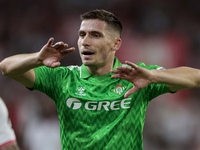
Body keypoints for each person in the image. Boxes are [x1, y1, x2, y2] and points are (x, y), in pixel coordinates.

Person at [0, 9, 200, 150]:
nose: (85, 41)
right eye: (81, 34)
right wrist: (37, 58)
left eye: (95, 35)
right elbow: (6, 68)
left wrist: (154, 76)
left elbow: (196, 77)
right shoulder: (63, 78)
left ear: (115, 44)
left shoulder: (136, 76)